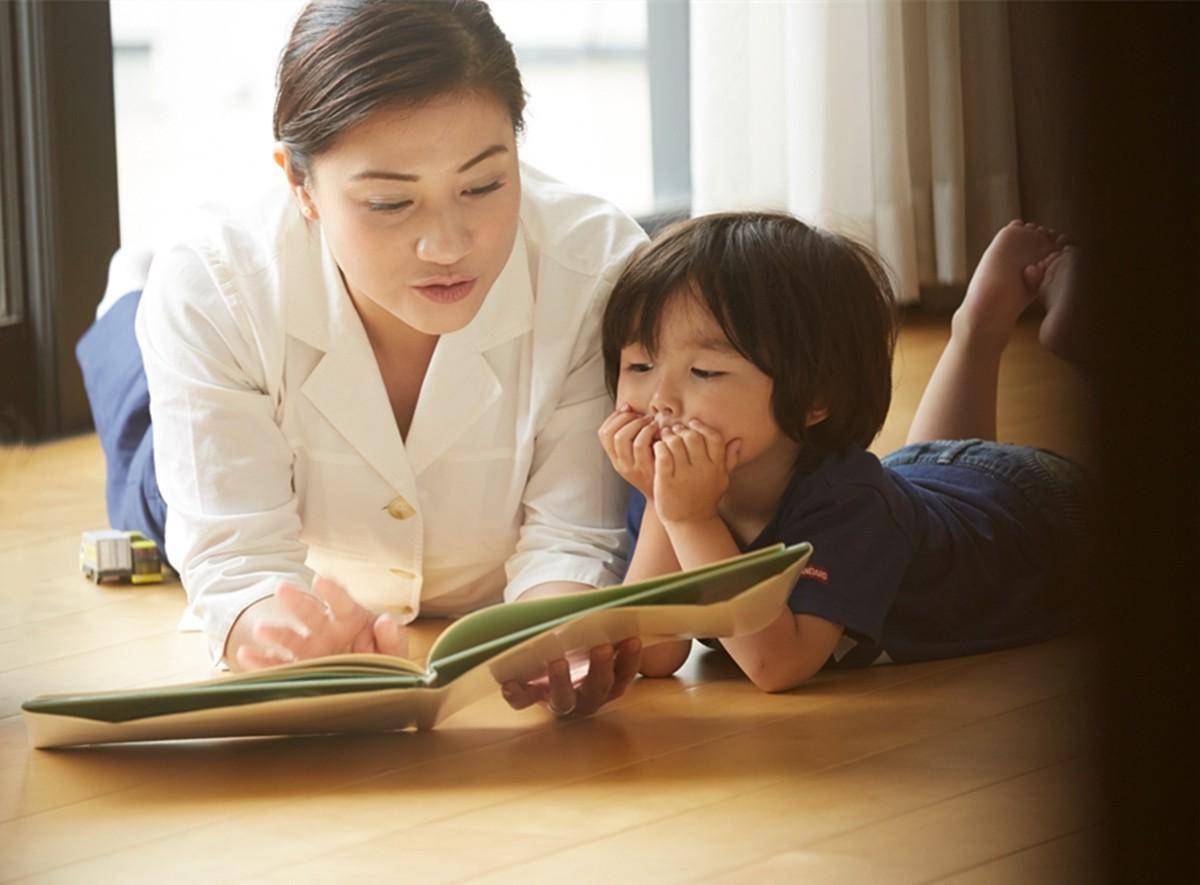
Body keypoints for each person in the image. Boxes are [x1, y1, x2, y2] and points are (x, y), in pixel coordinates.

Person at [76, 0, 645, 717]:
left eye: (483, 185)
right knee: (146, 475)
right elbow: (235, 562)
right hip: (220, 398)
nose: (448, 243)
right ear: (298, 184)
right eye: (389, 203)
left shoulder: (596, 271)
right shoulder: (215, 288)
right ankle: (127, 297)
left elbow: (573, 538)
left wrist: (560, 631)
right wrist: (283, 636)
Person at [597, 213, 1088, 691]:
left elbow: (778, 664)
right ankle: (979, 328)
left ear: (816, 399)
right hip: (922, 485)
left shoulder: (849, 503)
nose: (660, 399)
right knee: (922, 475)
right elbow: (653, 654)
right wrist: (665, 510)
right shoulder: (679, 483)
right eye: (640, 365)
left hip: (1040, 518)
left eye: (705, 372)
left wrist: (690, 521)